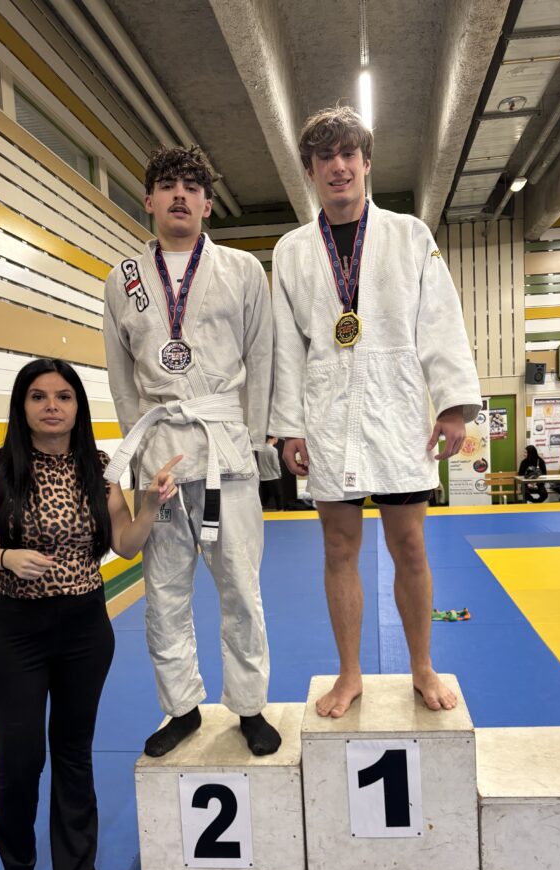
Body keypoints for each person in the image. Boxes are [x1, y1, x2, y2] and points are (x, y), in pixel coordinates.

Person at [269, 106, 481, 717]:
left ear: (366, 163)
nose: (337, 166)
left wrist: (453, 407)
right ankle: (350, 672)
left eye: (347, 154)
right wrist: (287, 427)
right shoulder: (291, 250)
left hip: (398, 407)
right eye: (324, 157)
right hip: (327, 412)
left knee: (409, 545)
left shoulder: (410, 235)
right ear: (310, 170)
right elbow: (286, 345)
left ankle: (422, 666)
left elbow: (440, 320)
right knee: (339, 548)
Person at [0, 358, 181, 870]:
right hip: (14, 630)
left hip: (83, 628)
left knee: (74, 753)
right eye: (38, 396)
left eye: (63, 396)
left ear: (78, 407)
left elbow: (125, 544)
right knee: (19, 760)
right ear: (22, 406)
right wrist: (5, 557)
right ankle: (16, 866)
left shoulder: (99, 469)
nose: (52, 406)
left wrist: (151, 504)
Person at [103, 144, 280, 758]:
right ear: (148, 200)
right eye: (167, 185)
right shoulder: (124, 279)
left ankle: (249, 705)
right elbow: (122, 378)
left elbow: (262, 359)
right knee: (164, 592)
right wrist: (138, 454)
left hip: (225, 446)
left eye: (192, 187)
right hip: (161, 457)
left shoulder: (241, 270)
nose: (180, 194)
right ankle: (180, 707)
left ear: (207, 204)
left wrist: (256, 441)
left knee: (241, 588)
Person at [257, 436, 284, 510]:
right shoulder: (273, 450)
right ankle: (280, 512)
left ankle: (259, 511)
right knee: (279, 496)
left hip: (263, 477)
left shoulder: (260, 450)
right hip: (273, 476)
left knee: (265, 498)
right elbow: (275, 464)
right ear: (274, 438)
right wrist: (279, 473)